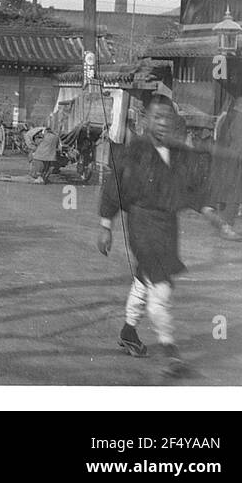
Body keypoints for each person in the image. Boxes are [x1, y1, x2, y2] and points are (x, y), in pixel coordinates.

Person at [97, 96, 205, 378]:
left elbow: (189, 188)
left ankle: (129, 331)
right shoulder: (135, 151)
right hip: (142, 225)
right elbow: (115, 187)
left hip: (168, 226)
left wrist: (209, 211)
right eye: (157, 117)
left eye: (167, 117)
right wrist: (105, 225)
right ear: (145, 119)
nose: (162, 122)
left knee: (145, 277)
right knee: (161, 287)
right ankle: (171, 352)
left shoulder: (176, 153)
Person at [200, 94, 242, 241]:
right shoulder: (238, 120)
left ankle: (221, 224)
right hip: (233, 163)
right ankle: (227, 229)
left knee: (223, 193)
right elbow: (239, 146)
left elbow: (216, 137)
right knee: (233, 195)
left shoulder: (224, 117)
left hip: (221, 161)